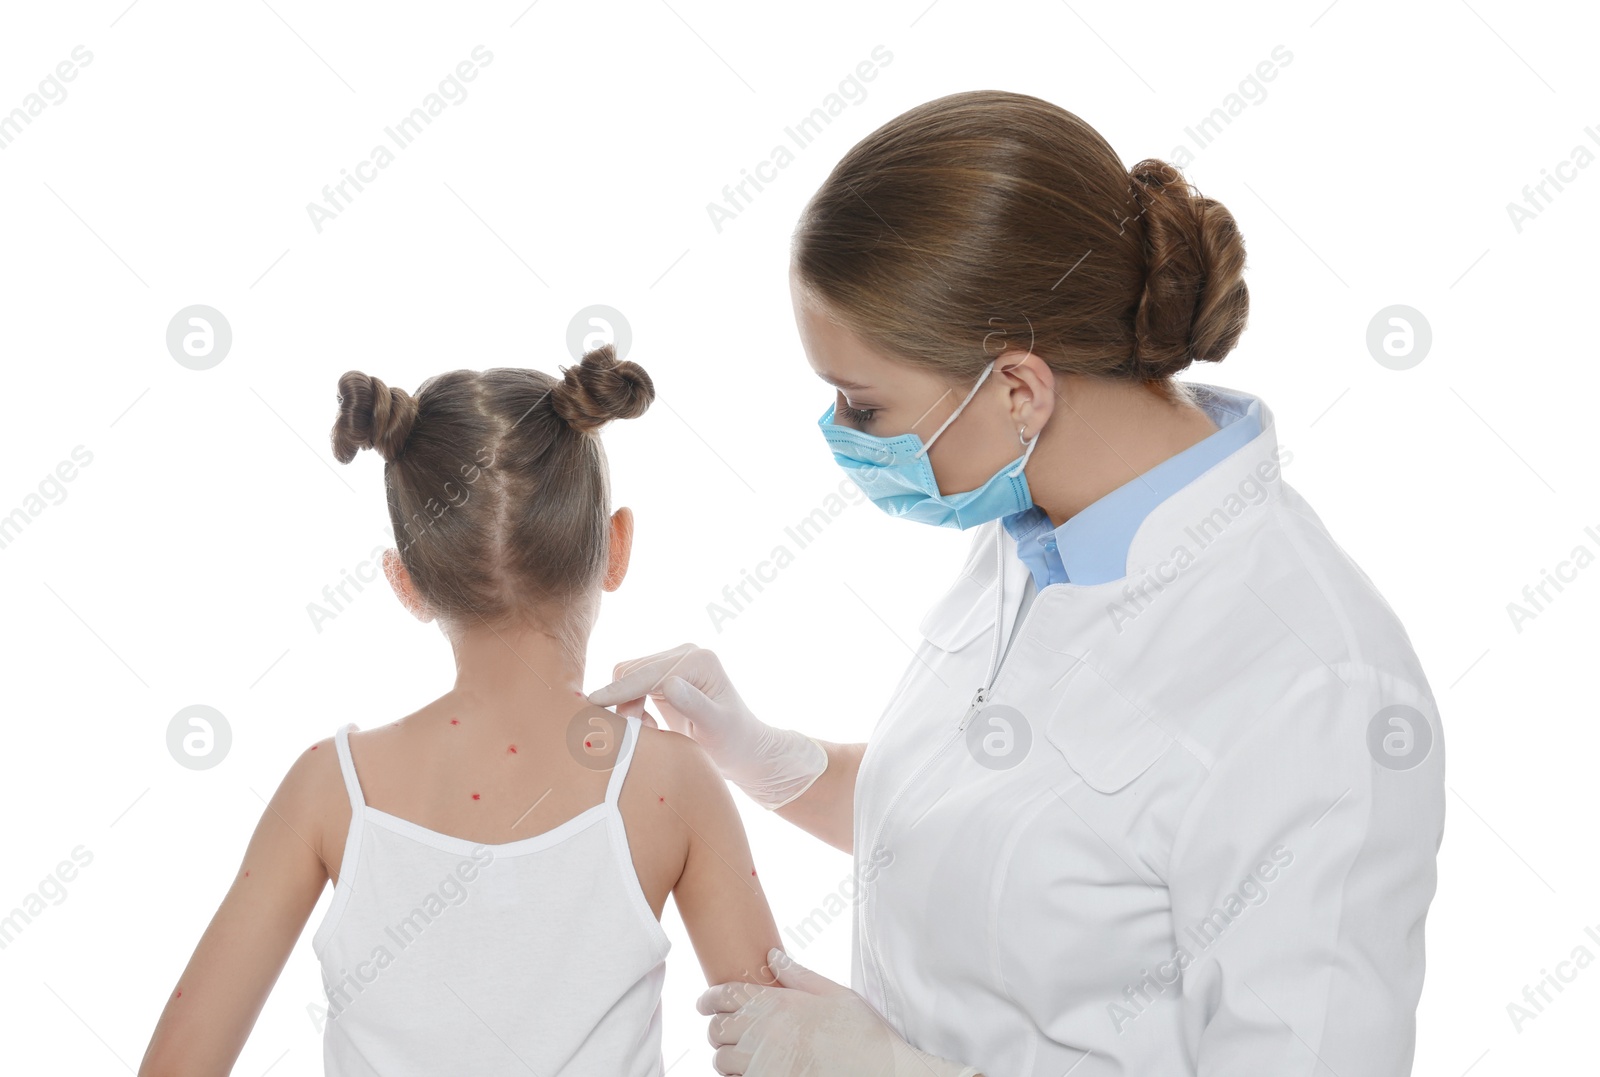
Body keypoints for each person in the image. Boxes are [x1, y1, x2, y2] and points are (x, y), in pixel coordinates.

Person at [588, 90, 1446, 1076]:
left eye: (862, 406)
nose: (841, 437)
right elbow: (1012, 825)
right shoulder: (1036, 523)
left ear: (1015, 390)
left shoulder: (1316, 689)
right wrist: (772, 760)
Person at [137, 345, 782, 1076]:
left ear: (406, 581)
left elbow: (177, 1063)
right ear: (616, 545)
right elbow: (785, 1051)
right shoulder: (673, 785)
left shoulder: (329, 789)